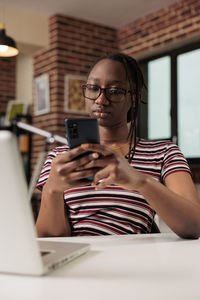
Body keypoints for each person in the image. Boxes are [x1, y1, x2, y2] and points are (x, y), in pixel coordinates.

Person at [36, 53, 200, 239]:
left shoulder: (164, 153)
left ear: (135, 98)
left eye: (115, 91)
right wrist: (52, 189)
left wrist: (140, 181)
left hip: (132, 262)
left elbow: (194, 226)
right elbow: (50, 239)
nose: (100, 100)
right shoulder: (59, 157)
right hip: (76, 260)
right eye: (93, 88)